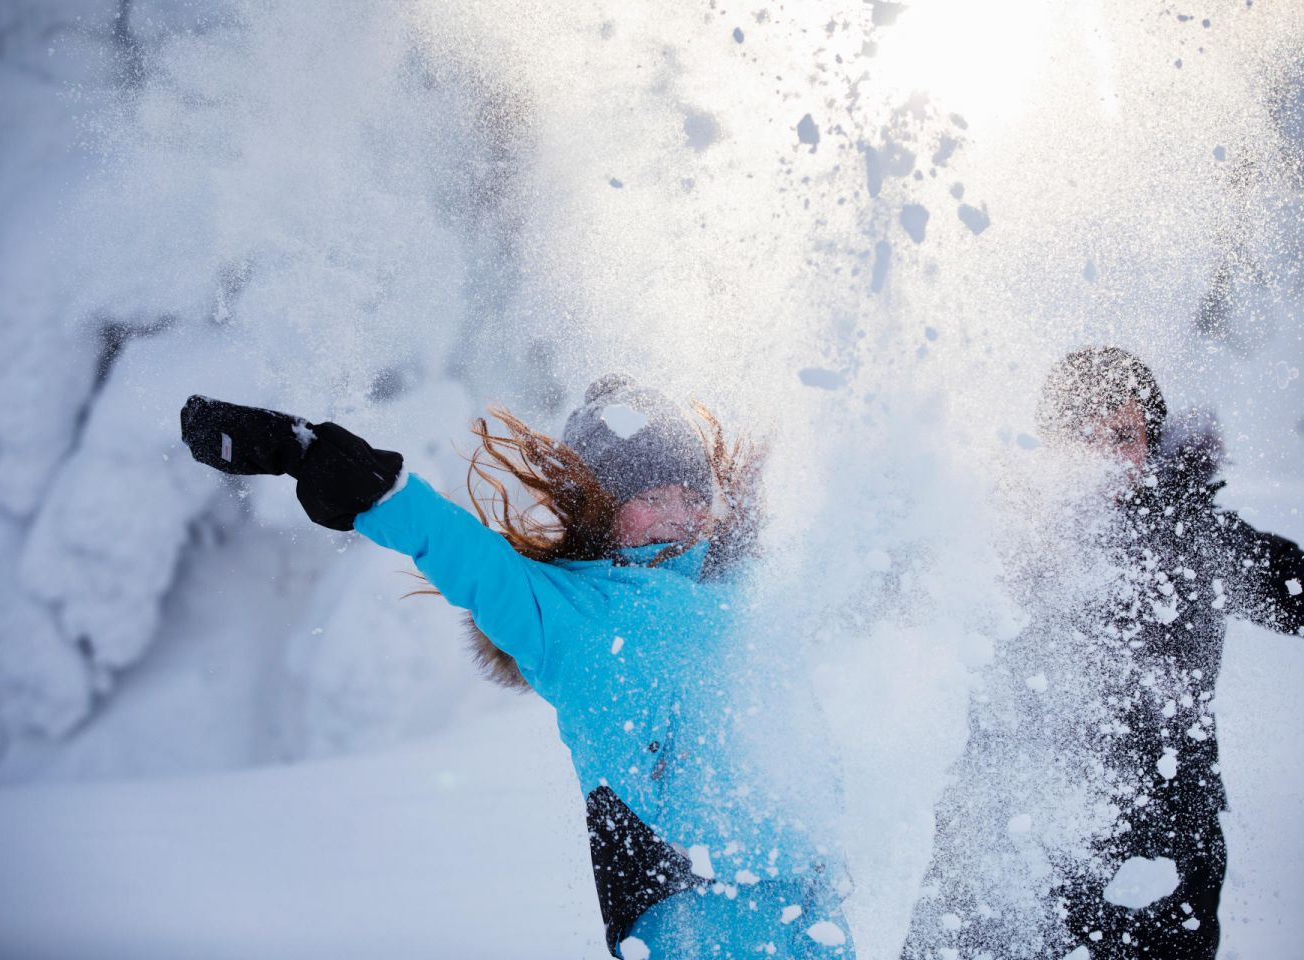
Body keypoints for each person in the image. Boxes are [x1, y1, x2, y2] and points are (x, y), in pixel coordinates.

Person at [179, 374, 853, 959]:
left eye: (688, 493)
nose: (677, 514)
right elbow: (449, 543)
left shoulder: (740, 587)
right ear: (601, 506)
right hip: (686, 903)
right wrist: (309, 454)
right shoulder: (560, 611)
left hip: (810, 892)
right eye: (651, 496)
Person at [900, 347, 1304, 960]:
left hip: (1156, 864)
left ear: (1150, 444)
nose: (1103, 457)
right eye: (1081, 435)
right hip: (1002, 850)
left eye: (1122, 437)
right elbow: (881, 585)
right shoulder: (992, 536)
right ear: (1048, 443)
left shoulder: (1193, 541)